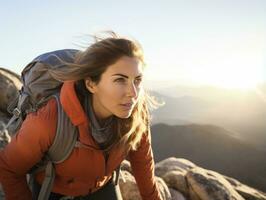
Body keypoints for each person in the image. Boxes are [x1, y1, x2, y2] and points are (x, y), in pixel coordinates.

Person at [0, 32, 162, 200]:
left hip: (102, 187)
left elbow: (143, 164)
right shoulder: (50, 118)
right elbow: (10, 168)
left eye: (137, 80)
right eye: (120, 80)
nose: (133, 93)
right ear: (91, 83)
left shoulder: (135, 112)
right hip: (53, 191)